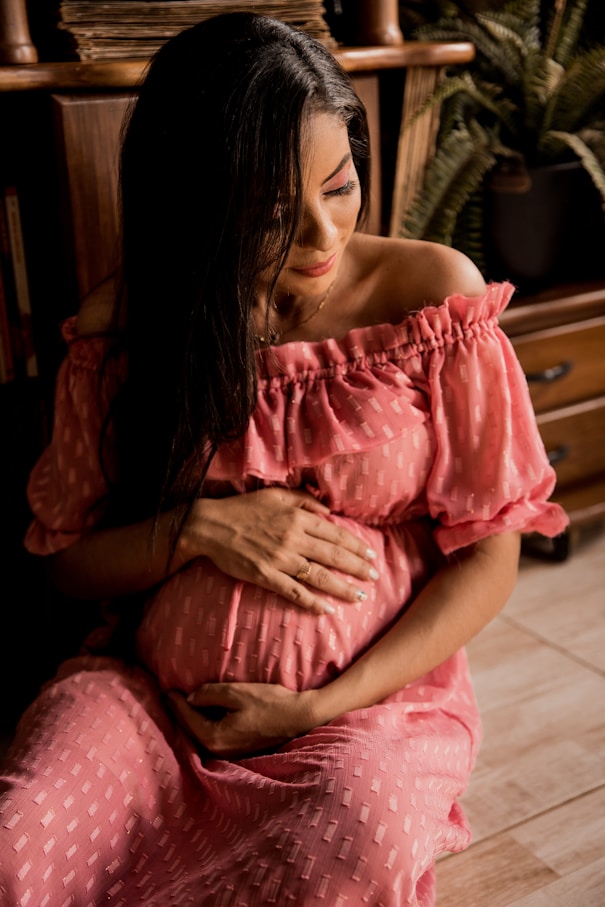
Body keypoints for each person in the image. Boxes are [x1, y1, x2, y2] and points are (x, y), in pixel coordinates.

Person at [0, 12, 568, 906]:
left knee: (346, 832)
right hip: (153, 710)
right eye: (269, 214)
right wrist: (199, 530)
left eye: (338, 186)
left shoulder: (431, 305)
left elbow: (493, 554)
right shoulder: (127, 330)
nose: (319, 236)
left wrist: (318, 707)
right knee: (17, 844)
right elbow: (70, 565)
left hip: (367, 715)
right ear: (192, 209)